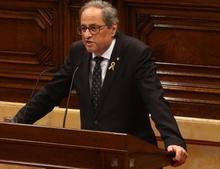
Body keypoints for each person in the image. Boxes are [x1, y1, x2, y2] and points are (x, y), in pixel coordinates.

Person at [14, 0, 187, 167]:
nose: (87, 35)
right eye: (83, 28)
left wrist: (173, 140)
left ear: (113, 28)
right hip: (93, 155)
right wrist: (17, 123)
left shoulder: (135, 53)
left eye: (94, 28)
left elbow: (155, 99)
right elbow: (50, 94)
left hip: (131, 156)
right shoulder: (78, 53)